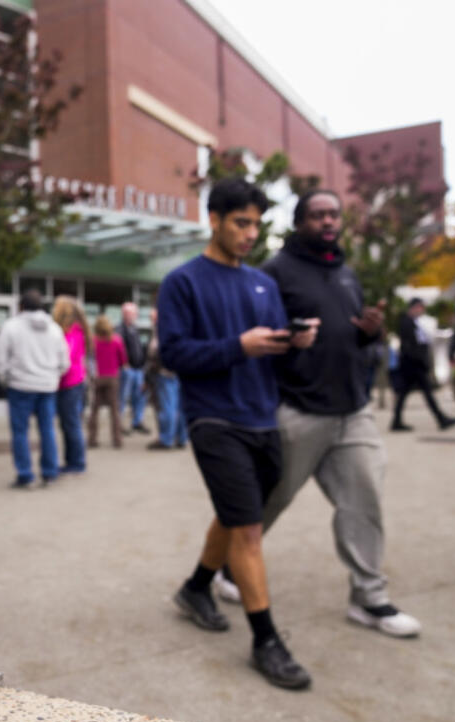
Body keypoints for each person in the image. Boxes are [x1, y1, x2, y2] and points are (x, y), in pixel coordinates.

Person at [217, 189, 421, 638]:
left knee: (364, 500)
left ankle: (370, 599)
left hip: (353, 411)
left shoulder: (346, 273)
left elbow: (345, 337)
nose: (328, 221)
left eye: (334, 214)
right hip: (297, 409)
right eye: (318, 215)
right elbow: (258, 340)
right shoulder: (274, 273)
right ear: (300, 222)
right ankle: (230, 569)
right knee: (270, 500)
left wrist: (369, 334)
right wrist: (288, 342)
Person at [159, 177, 318, 690]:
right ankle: (266, 640)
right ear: (215, 220)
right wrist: (237, 347)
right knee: (248, 527)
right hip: (213, 417)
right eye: (241, 223)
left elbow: (266, 346)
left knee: (236, 514)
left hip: (262, 417)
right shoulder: (182, 282)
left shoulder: (263, 284)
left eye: (256, 224)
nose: (250, 233)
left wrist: (294, 342)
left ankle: (196, 587)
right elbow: (174, 354)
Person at [0, 290, 69, 488]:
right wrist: (53, 376)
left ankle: (25, 475)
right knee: (47, 430)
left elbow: (0, 358)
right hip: (47, 386)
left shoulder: (11, 327)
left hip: (20, 386)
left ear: (21, 306)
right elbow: (65, 361)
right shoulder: (54, 329)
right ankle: (50, 473)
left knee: (20, 432)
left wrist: (5, 378)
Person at [391, 298, 455, 431]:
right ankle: (441, 419)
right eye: (420, 307)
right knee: (425, 392)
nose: (421, 310)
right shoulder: (406, 322)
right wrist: (419, 360)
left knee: (406, 393)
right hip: (413, 365)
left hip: (414, 364)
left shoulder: (414, 322)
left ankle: (397, 421)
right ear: (414, 307)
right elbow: (409, 346)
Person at [52, 296, 90, 474]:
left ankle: (77, 463)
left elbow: (66, 357)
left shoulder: (72, 332)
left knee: (72, 423)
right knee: (69, 424)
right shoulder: (76, 331)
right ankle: (72, 461)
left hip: (70, 383)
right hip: (71, 382)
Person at [146, 307, 187, 450]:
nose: (151, 320)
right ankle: (181, 438)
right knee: (179, 407)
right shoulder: (181, 324)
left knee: (168, 407)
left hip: (166, 372)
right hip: (179, 372)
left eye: (153, 317)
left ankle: (167, 439)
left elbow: (155, 349)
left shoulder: (162, 329)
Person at [88, 314, 126, 448]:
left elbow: (89, 359)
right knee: (114, 410)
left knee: (94, 410)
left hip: (98, 377)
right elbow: (123, 360)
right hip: (112, 377)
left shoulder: (93, 341)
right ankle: (117, 440)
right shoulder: (116, 340)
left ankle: (92, 439)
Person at [118, 303, 150, 433]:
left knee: (140, 396)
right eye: (130, 313)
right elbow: (119, 349)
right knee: (123, 397)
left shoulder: (134, 329)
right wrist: (124, 364)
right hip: (128, 369)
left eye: (134, 313)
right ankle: (119, 424)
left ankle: (137, 421)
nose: (133, 316)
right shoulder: (120, 329)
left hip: (139, 369)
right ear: (124, 314)